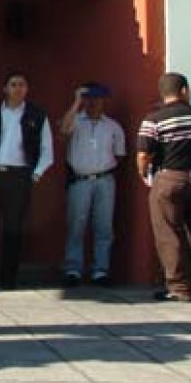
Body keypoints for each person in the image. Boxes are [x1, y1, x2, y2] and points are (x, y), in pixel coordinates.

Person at [0, 71, 53, 289]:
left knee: (13, 229)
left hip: (19, 177)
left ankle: (8, 278)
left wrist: (36, 174)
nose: (18, 88)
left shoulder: (37, 115)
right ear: (5, 88)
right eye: (13, 84)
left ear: (27, 89)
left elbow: (47, 150)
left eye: (22, 84)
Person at [137, 72, 191, 302]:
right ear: (184, 91)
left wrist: (145, 176)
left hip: (169, 179)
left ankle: (180, 288)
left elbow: (143, 155)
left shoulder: (154, 119)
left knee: (169, 235)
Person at [59, 82, 127, 287]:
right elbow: (63, 130)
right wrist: (76, 103)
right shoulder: (76, 121)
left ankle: (100, 270)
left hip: (105, 180)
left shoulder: (113, 126)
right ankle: (73, 269)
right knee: (76, 226)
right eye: (89, 99)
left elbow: (119, 154)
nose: (93, 103)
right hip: (80, 180)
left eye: (97, 99)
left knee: (104, 227)